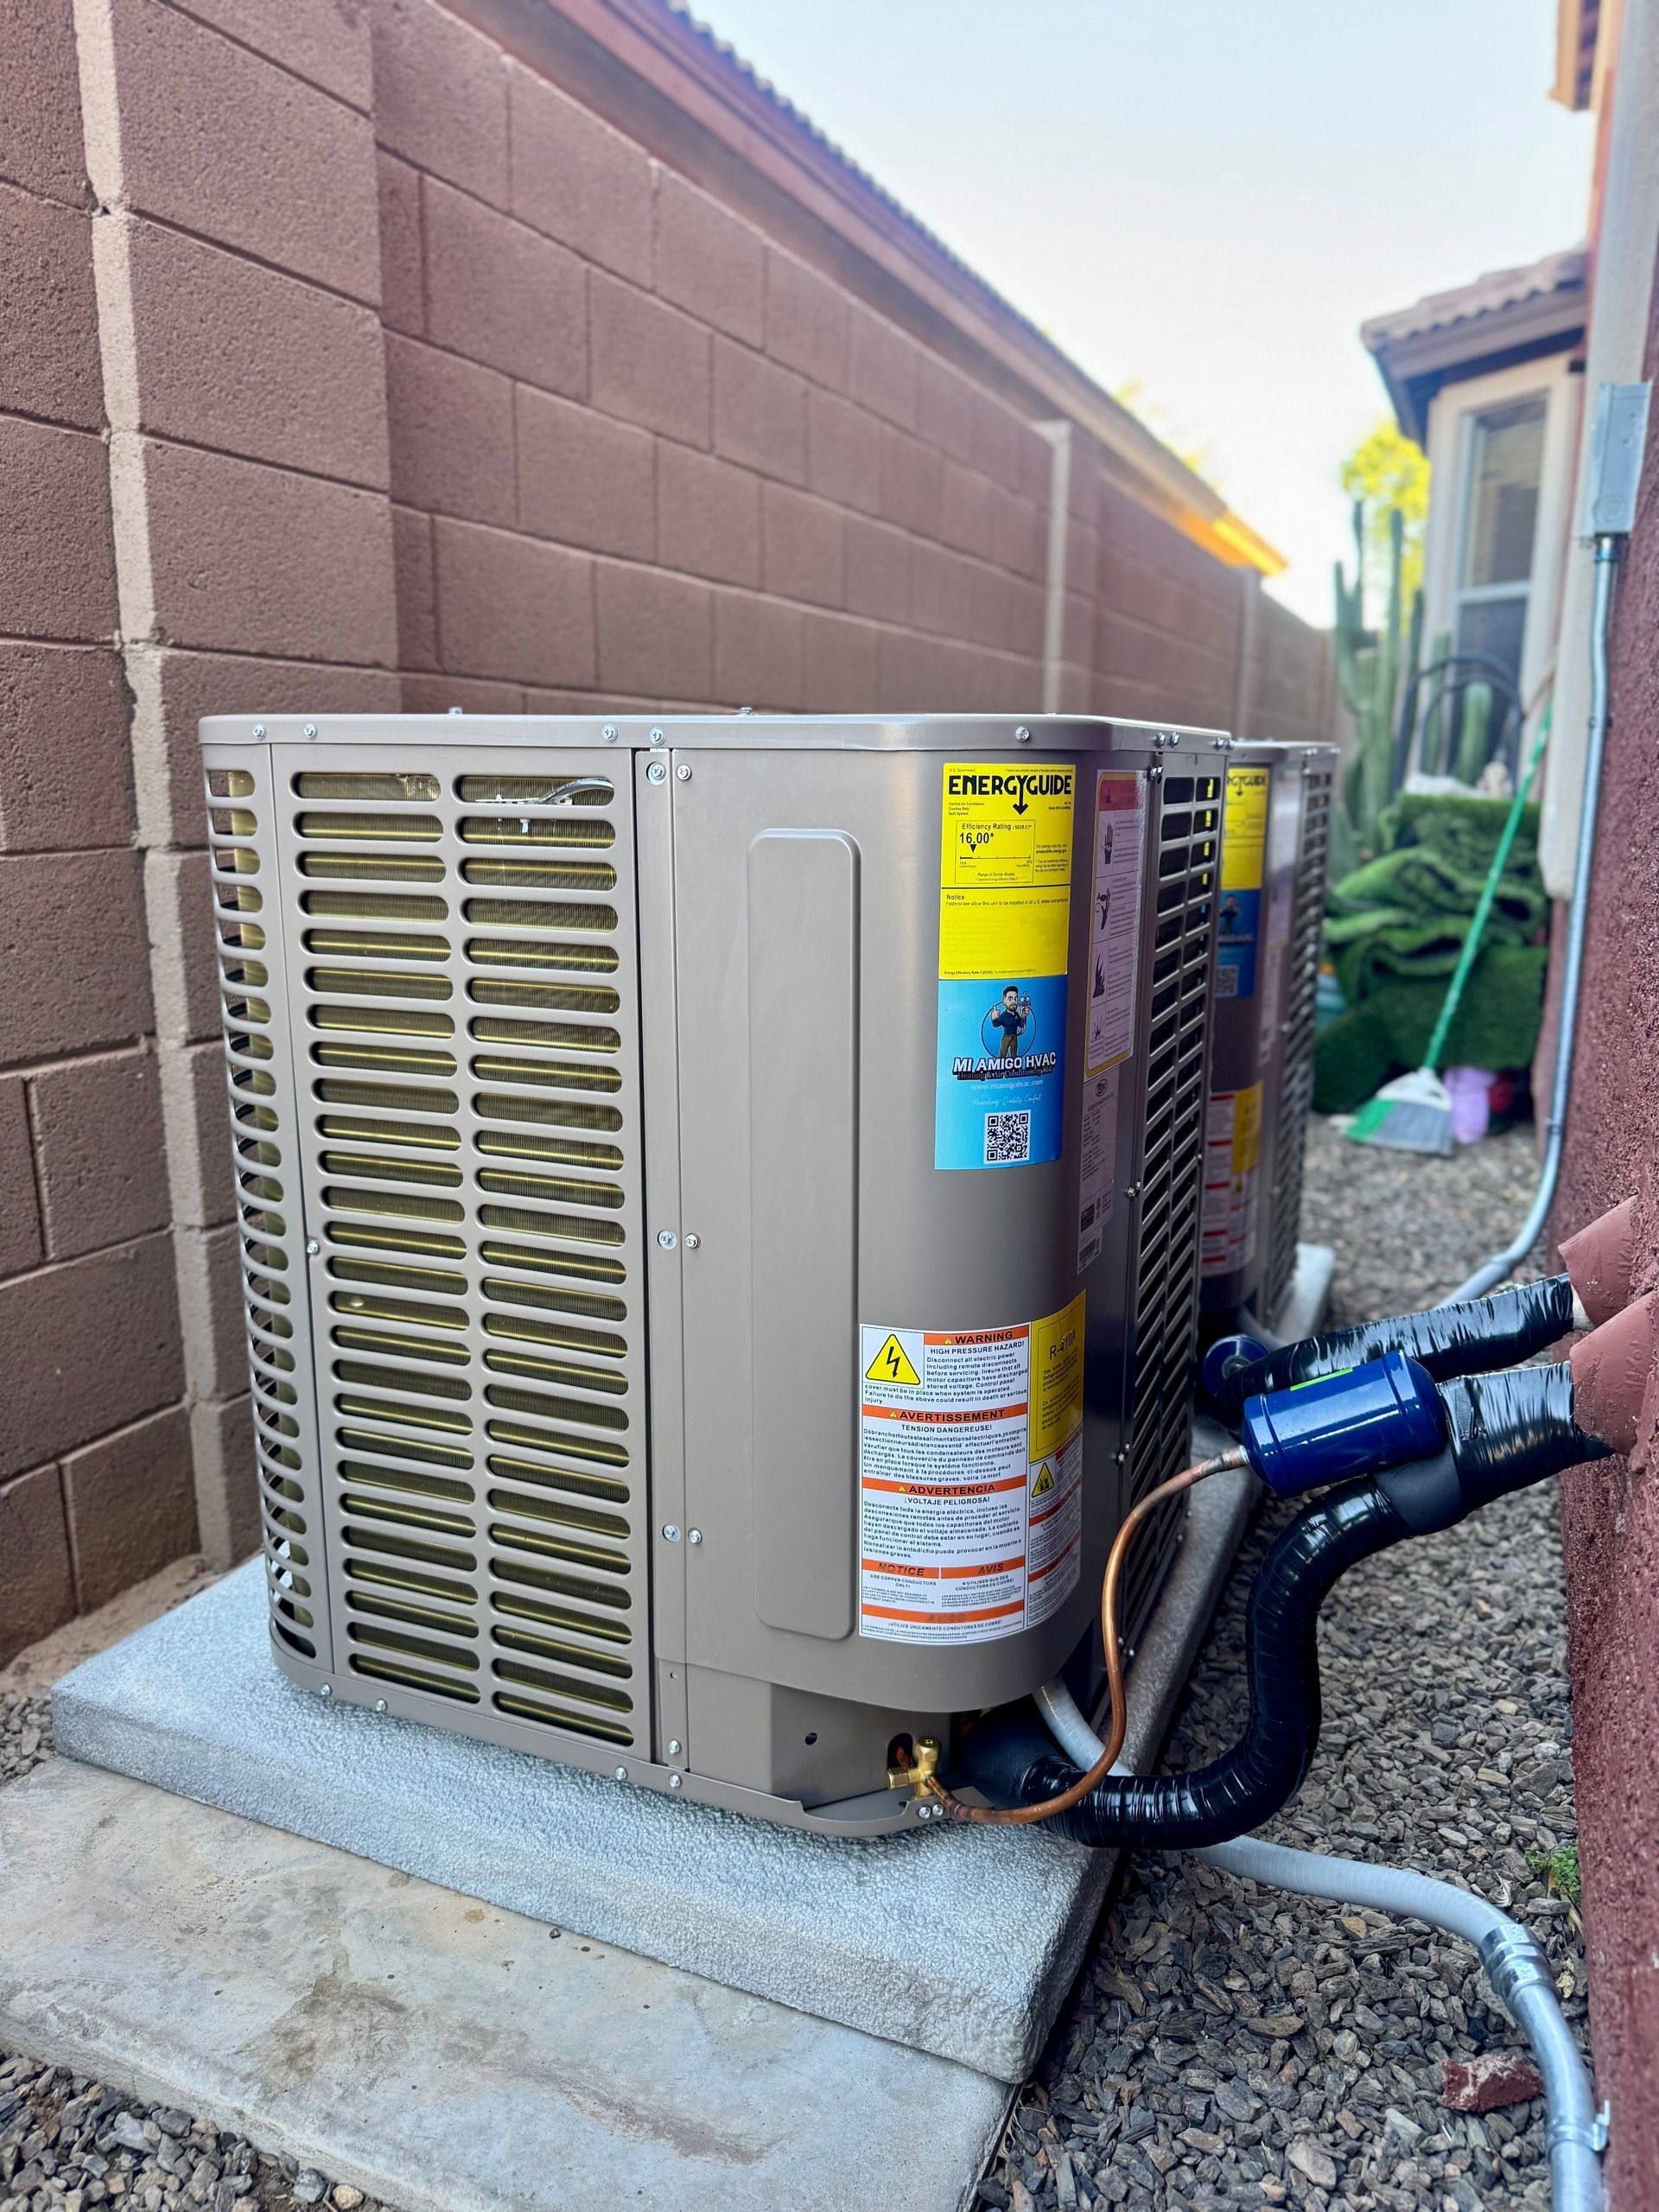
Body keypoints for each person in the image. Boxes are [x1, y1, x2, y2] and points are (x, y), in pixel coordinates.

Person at [990, 985, 1028, 1058]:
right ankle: (1000, 1066)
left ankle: (1015, 1066)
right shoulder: (1004, 1015)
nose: (1013, 1002)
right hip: (1006, 1037)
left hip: (1014, 1037)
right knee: (1003, 1053)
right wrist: (993, 1018)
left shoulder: (1017, 1015)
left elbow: (1021, 1025)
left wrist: (1024, 1017)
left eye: (1015, 999)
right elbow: (995, 1025)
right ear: (1004, 1002)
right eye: (1010, 999)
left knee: (1014, 1053)